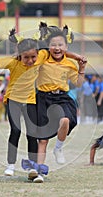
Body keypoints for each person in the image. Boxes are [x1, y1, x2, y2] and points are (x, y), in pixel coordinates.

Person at [0, 28, 86, 182]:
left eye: (33, 57)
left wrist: (77, 57)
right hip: (14, 100)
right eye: (26, 58)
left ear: (37, 54)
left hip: (30, 100)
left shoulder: (40, 57)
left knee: (32, 134)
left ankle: (32, 168)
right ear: (19, 55)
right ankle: (10, 165)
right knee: (15, 130)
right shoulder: (14, 61)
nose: (30, 61)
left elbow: (59, 51)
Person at [35, 27, 86, 182]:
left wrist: (81, 67)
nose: (57, 48)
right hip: (43, 99)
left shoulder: (69, 64)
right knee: (42, 140)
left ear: (66, 47)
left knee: (65, 121)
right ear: (48, 46)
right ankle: (39, 173)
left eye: (60, 45)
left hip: (61, 98)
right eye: (54, 44)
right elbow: (39, 52)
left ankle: (58, 148)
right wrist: (76, 55)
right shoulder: (43, 57)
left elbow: (77, 83)